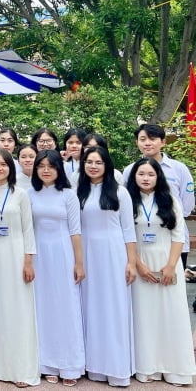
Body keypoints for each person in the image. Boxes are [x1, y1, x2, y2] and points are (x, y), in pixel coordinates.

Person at [126, 158, 196, 385]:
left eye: (150, 174)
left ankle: (176, 369)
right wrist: (139, 265)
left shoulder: (170, 201)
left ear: (158, 177)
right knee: (145, 317)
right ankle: (148, 367)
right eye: (141, 174)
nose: (145, 178)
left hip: (168, 262)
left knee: (171, 315)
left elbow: (178, 236)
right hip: (140, 264)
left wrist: (171, 266)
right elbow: (127, 237)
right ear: (134, 177)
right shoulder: (129, 202)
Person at [0, 149, 40, 387]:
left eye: (3, 164)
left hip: (16, 255)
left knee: (18, 310)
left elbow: (28, 229)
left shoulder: (21, 194)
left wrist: (28, 261)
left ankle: (20, 368)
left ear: (10, 168)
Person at [77, 146, 137, 387]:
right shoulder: (78, 192)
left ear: (107, 165)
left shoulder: (120, 192)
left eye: (98, 162)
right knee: (90, 307)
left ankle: (116, 367)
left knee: (113, 308)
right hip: (86, 253)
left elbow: (128, 229)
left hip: (113, 254)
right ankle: (94, 366)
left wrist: (131, 262)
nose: (93, 166)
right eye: (89, 161)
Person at [29, 150, 85, 386]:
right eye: (41, 165)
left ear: (58, 169)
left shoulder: (68, 195)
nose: (46, 170)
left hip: (63, 254)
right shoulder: (29, 194)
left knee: (66, 306)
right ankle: (47, 363)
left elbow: (75, 230)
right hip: (38, 254)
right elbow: (26, 229)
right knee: (42, 307)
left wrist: (79, 262)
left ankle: (69, 364)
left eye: (51, 166)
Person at [122, 124, 194, 270]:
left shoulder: (179, 169)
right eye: (142, 139)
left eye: (152, 139)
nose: (147, 143)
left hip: (173, 237)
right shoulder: (130, 171)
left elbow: (186, 206)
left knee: (171, 283)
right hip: (139, 239)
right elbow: (126, 202)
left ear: (163, 141)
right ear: (137, 142)